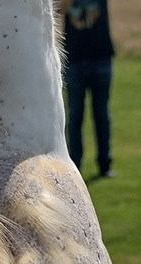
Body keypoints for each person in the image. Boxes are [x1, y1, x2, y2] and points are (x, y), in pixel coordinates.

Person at [58, 0, 116, 178]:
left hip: (100, 56)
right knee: (75, 115)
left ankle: (104, 162)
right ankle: (75, 165)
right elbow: (59, 9)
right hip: (74, 58)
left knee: (102, 114)